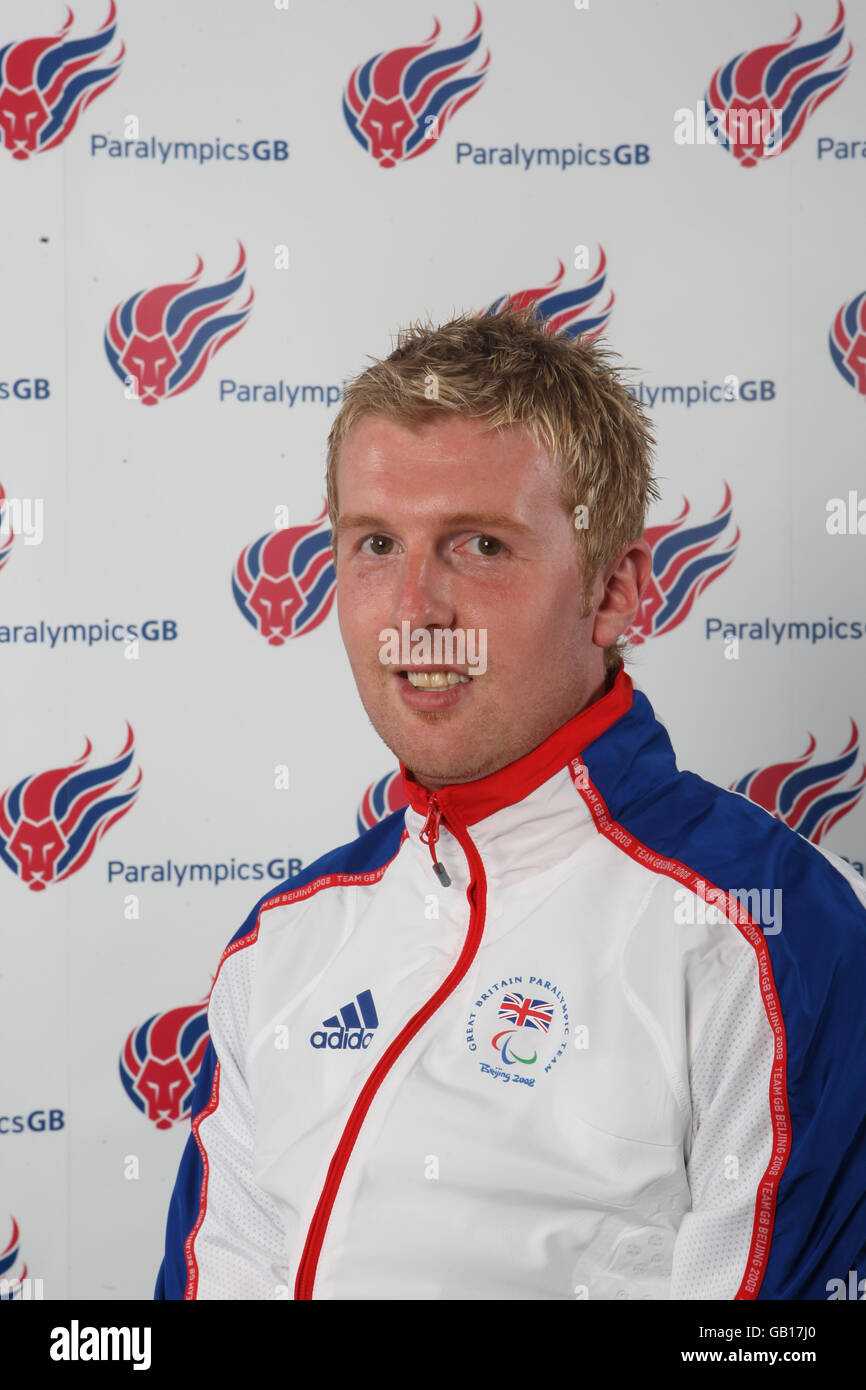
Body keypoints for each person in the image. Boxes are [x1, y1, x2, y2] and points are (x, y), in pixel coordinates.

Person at [155, 305, 866, 1300]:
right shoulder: (280, 944)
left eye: (478, 545)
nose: (413, 611)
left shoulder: (768, 929)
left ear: (612, 590)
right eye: (373, 546)